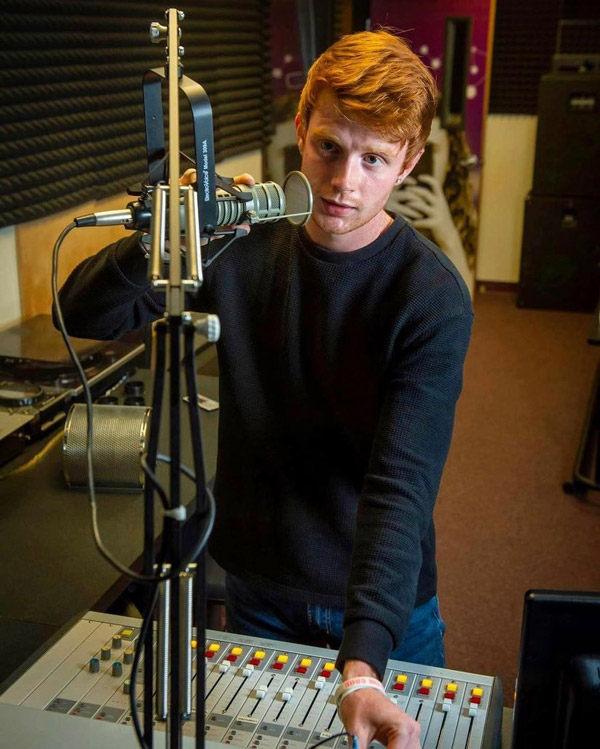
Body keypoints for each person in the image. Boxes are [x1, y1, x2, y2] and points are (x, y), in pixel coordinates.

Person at [57, 29, 473, 749]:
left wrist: (364, 666)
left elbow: (400, 487)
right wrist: (169, 229)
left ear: (407, 161)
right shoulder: (240, 241)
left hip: (380, 604)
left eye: (374, 159)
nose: (345, 181)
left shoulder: (430, 298)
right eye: (331, 148)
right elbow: (82, 313)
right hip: (260, 588)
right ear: (302, 126)